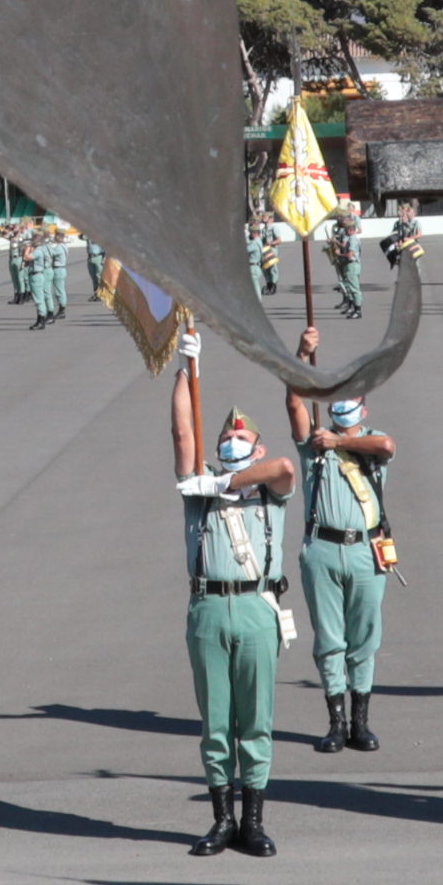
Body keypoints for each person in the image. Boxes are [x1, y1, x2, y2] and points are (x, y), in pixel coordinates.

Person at [169, 336, 295, 857]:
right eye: (226, 436)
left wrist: (229, 482)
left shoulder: (268, 488)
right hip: (207, 610)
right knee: (216, 721)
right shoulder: (196, 485)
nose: (232, 440)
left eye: (242, 437)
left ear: (255, 447)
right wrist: (185, 368)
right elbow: (181, 430)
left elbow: (285, 468)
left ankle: (254, 820)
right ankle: (222, 819)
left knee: (256, 720)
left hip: (255, 607)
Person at [286, 324, 394, 753]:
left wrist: (341, 441)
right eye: (338, 399)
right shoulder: (315, 445)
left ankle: (361, 722)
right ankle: (335, 721)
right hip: (323, 549)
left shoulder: (369, 440)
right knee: (330, 638)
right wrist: (301, 355)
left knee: (365, 636)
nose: (345, 405)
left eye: (354, 400)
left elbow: (387, 445)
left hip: (367, 548)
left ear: (364, 410)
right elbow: (295, 400)